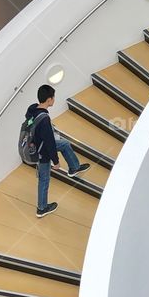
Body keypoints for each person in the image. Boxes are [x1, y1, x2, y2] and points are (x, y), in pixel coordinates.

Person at [26, 84, 91, 218]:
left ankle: (74, 168)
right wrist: (56, 162)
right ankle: (42, 208)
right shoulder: (44, 119)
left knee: (65, 144)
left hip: (37, 144)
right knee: (44, 180)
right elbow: (49, 143)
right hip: (42, 152)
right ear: (49, 99)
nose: (54, 99)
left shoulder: (32, 109)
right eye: (53, 97)